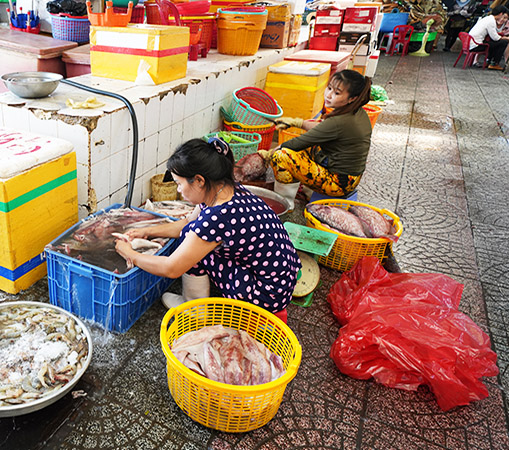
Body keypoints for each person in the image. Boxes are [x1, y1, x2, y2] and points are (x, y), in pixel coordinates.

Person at [114, 138, 299, 323]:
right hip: (283, 278)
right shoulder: (226, 189)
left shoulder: (218, 217)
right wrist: (147, 231)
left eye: (179, 183)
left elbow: (172, 268)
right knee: (191, 233)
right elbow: (187, 222)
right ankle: (196, 301)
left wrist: (130, 254)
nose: (179, 190)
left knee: (193, 244)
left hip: (267, 294)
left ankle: (194, 310)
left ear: (199, 181)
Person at [259, 70, 372, 209]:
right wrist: (297, 122)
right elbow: (321, 129)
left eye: (337, 93)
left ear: (352, 98)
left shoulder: (341, 121)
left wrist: (267, 154)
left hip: (339, 183)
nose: (329, 95)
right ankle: (308, 190)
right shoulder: (356, 112)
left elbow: (296, 143)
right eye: (329, 88)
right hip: (349, 177)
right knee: (309, 147)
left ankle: (286, 204)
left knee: (281, 156)